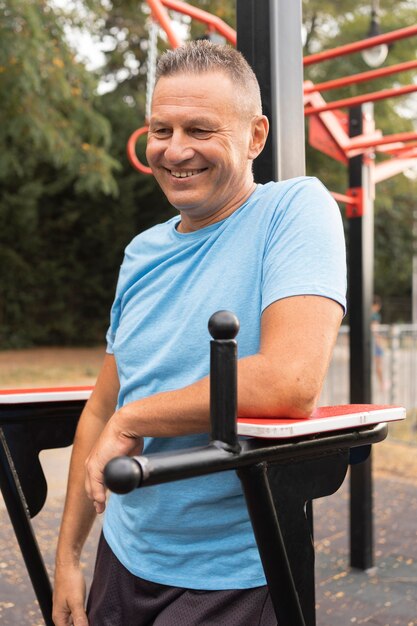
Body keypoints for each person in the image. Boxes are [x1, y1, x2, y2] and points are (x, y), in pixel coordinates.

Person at [52, 40, 347, 626]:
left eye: (200, 129)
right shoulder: (141, 252)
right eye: (161, 129)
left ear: (255, 137)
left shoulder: (293, 211)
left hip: (235, 573)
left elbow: (290, 381)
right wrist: (67, 556)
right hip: (126, 553)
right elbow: (102, 407)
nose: (175, 149)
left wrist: (135, 419)